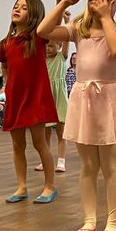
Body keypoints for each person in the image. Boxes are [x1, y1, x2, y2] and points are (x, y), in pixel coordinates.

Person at [38, 0, 116, 231]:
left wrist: (106, 18)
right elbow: (43, 31)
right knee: (87, 166)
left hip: (109, 98)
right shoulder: (79, 28)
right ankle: (89, 220)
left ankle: (114, 223)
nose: (95, 4)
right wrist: (63, 3)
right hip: (84, 98)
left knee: (110, 164)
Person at [0, 0, 59, 204]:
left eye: (24, 8)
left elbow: (54, 24)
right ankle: (21, 186)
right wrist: (8, 86)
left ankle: (49, 185)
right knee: (17, 144)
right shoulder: (5, 43)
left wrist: (60, 2)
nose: (17, 9)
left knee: (39, 142)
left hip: (35, 98)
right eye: (16, 6)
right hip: (16, 99)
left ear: (33, 15)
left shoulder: (38, 38)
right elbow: (5, 67)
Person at [43, 38, 69, 173]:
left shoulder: (61, 57)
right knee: (45, 133)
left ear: (59, 46)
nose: (48, 48)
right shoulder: (43, 60)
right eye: (46, 46)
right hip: (46, 98)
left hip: (59, 98)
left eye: (51, 46)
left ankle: (61, 161)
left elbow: (66, 40)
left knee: (61, 132)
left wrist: (66, 24)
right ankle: (45, 160)